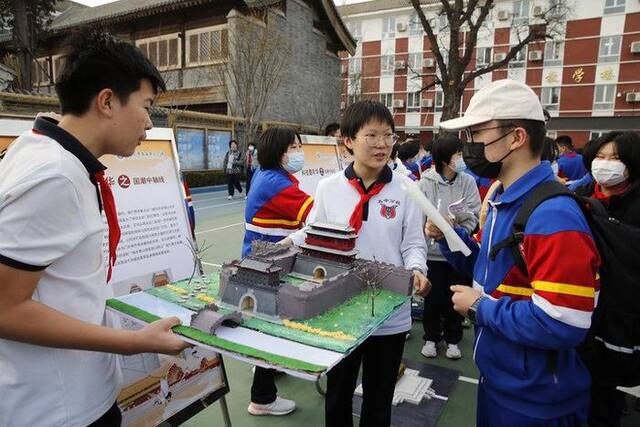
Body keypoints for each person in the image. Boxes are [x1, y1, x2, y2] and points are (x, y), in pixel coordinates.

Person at [0, 31, 189, 427]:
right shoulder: (56, 175)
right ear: (106, 101)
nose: (150, 124)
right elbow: (4, 307)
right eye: (146, 106)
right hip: (57, 408)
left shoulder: (46, 152)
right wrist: (134, 343)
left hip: (73, 392)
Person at [426, 80, 599, 426]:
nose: (469, 144)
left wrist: (480, 307)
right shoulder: (505, 198)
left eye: (477, 133)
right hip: (504, 381)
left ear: (517, 137)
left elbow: (564, 321)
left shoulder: (552, 216)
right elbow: (493, 272)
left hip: (537, 399)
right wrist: (452, 238)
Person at [287, 100, 430, 427]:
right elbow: (312, 233)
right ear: (348, 140)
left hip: (389, 309)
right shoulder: (328, 188)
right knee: (338, 393)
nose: (382, 144)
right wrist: (287, 242)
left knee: (379, 399)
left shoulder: (407, 189)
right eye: (372, 135)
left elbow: (412, 244)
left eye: (388, 136)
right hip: (339, 305)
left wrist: (418, 270)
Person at [242, 127, 313, 416]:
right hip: (269, 265)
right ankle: (262, 398)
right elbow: (316, 215)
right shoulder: (276, 183)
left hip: (260, 260)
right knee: (269, 329)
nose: (299, 152)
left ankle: (270, 368)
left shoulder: (266, 174)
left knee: (267, 323)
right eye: (293, 147)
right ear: (277, 151)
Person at [574, 131, 640, 427]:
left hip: (621, 314)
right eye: (600, 157)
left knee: (605, 392)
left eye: (615, 159)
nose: (605, 164)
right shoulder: (582, 194)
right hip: (583, 305)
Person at [419, 135, 481, 360]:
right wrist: (429, 230)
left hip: (457, 253)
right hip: (433, 254)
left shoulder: (468, 182)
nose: (462, 159)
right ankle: (431, 337)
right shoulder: (426, 181)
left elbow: (475, 215)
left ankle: (453, 339)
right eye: (458, 154)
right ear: (445, 159)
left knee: (455, 299)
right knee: (433, 300)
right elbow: (418, 217)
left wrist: (458, 222)